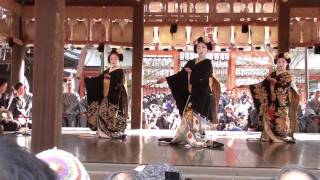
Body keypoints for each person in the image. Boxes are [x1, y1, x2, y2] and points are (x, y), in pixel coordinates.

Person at [157, 37, 222, 148]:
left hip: (203, 94)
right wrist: (166, 79)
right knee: (188, 115)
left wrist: (192, 72)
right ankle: (184, 138)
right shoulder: (191, 62)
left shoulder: (208, 63)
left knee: (198, 118)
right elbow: (181, 75)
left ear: (207, 49)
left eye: (203, 47)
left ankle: (197, 139)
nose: (200, 49)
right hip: (193, 94)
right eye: (198, 47)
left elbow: (204, 78)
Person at [239, 52, 299, 143]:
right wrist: (249, 86)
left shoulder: (288, 75)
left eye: (283, 62)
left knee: (280, 119)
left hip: (282, 102)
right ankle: (268, 136)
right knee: (269, 117)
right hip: (270, 101)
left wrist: (274, 83)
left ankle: (281, 136)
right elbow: (262, 85)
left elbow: (284, 87)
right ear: (276, 63)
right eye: (279, 62)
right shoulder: (272, 74)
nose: (281, 64)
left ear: (286, 63)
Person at [85, 49, 128, 138]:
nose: (113, 60)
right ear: (109, 60)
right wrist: (89, 80)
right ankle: (102, 131)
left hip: (115, 95)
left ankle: (112, 131)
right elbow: (99, 80)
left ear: (118, 59)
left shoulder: (120, 71)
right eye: (111, 59)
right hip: (105, 95)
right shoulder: (107, 71)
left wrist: (108, 79)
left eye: (115, 58)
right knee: (101, 112)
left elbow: (119, 82)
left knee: (112, 113)